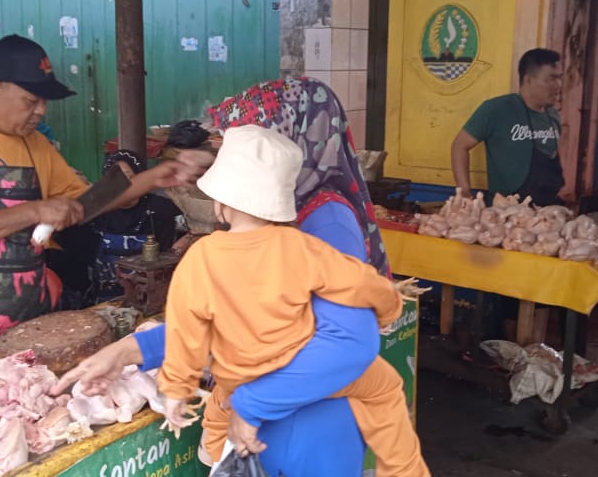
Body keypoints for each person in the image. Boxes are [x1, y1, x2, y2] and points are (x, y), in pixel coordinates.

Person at [54, 77, 408, 476]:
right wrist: (127, 352)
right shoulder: (279, 224)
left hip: (307, 435)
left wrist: (251, 404)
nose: (217, 158)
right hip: (275, 430)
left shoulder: (327, 220)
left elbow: (349, 345)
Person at [159, 125, 429, 476]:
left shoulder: (200, 258)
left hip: (241, 379)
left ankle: (216, 450)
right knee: (387, 385)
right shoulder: (302, 247)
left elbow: (185, 332)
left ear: (220, 204)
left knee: (224, 402)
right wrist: (389, 307)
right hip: (296, 370)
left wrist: (176, 390)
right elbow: (360, 281)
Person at [0, 35, 194, 362]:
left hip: (26, 309)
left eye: (44, 102)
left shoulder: (35, 145)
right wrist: (36, 210)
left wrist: (155, 177)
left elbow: (85, 204)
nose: (41, 111)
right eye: (31, 101)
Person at [47, 149, 186, 308]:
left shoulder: (160, 209)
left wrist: (181, 245)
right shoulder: (93, 214)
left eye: (130, 179)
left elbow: (194, 228)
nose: (123, 187)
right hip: (103, 302)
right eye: (115, 180)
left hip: (153, 299)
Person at [450, 48, 564, 206]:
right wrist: (464, 191)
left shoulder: (553, 116)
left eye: (560, 78)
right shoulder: (497, 109)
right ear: (528, 80)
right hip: (506, 212)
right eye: (551, 78)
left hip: (547, 212)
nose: (558, 85)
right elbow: (459, 146)